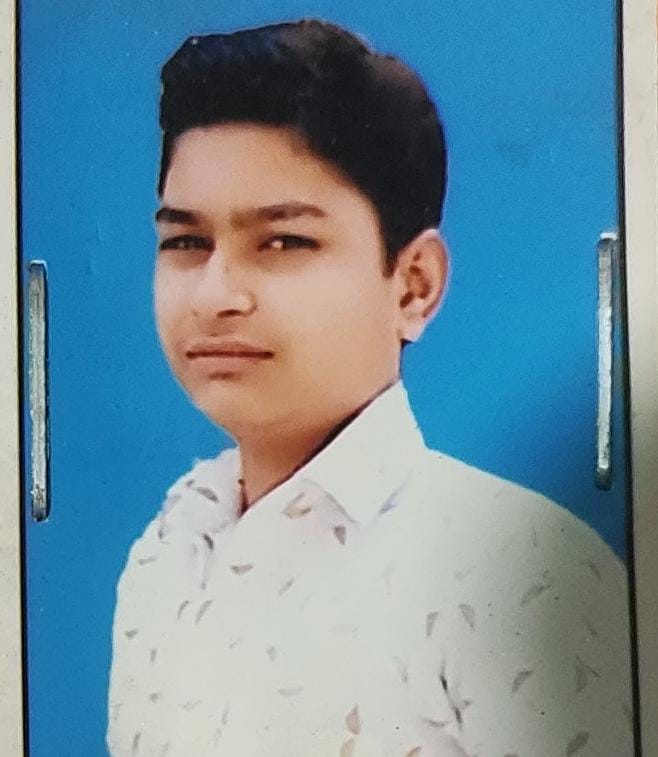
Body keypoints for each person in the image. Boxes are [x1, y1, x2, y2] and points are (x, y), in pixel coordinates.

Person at [107, 19, 633, 757]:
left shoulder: (520, 571)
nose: (214, 295)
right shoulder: (166, 554)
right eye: (187, 242)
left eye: (283, 241)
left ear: (414, 285)